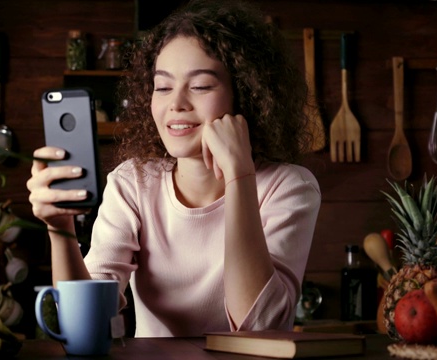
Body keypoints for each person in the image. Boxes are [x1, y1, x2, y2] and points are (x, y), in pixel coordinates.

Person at [27, 0, 321, 337]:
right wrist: (59, 227)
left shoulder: (289, 187)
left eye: (200, 86)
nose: (176, 103)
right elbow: (84, 324)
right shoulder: (132, 183)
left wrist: (240, 176)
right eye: (163, 87)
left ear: (246, 95)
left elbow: (259, 327)